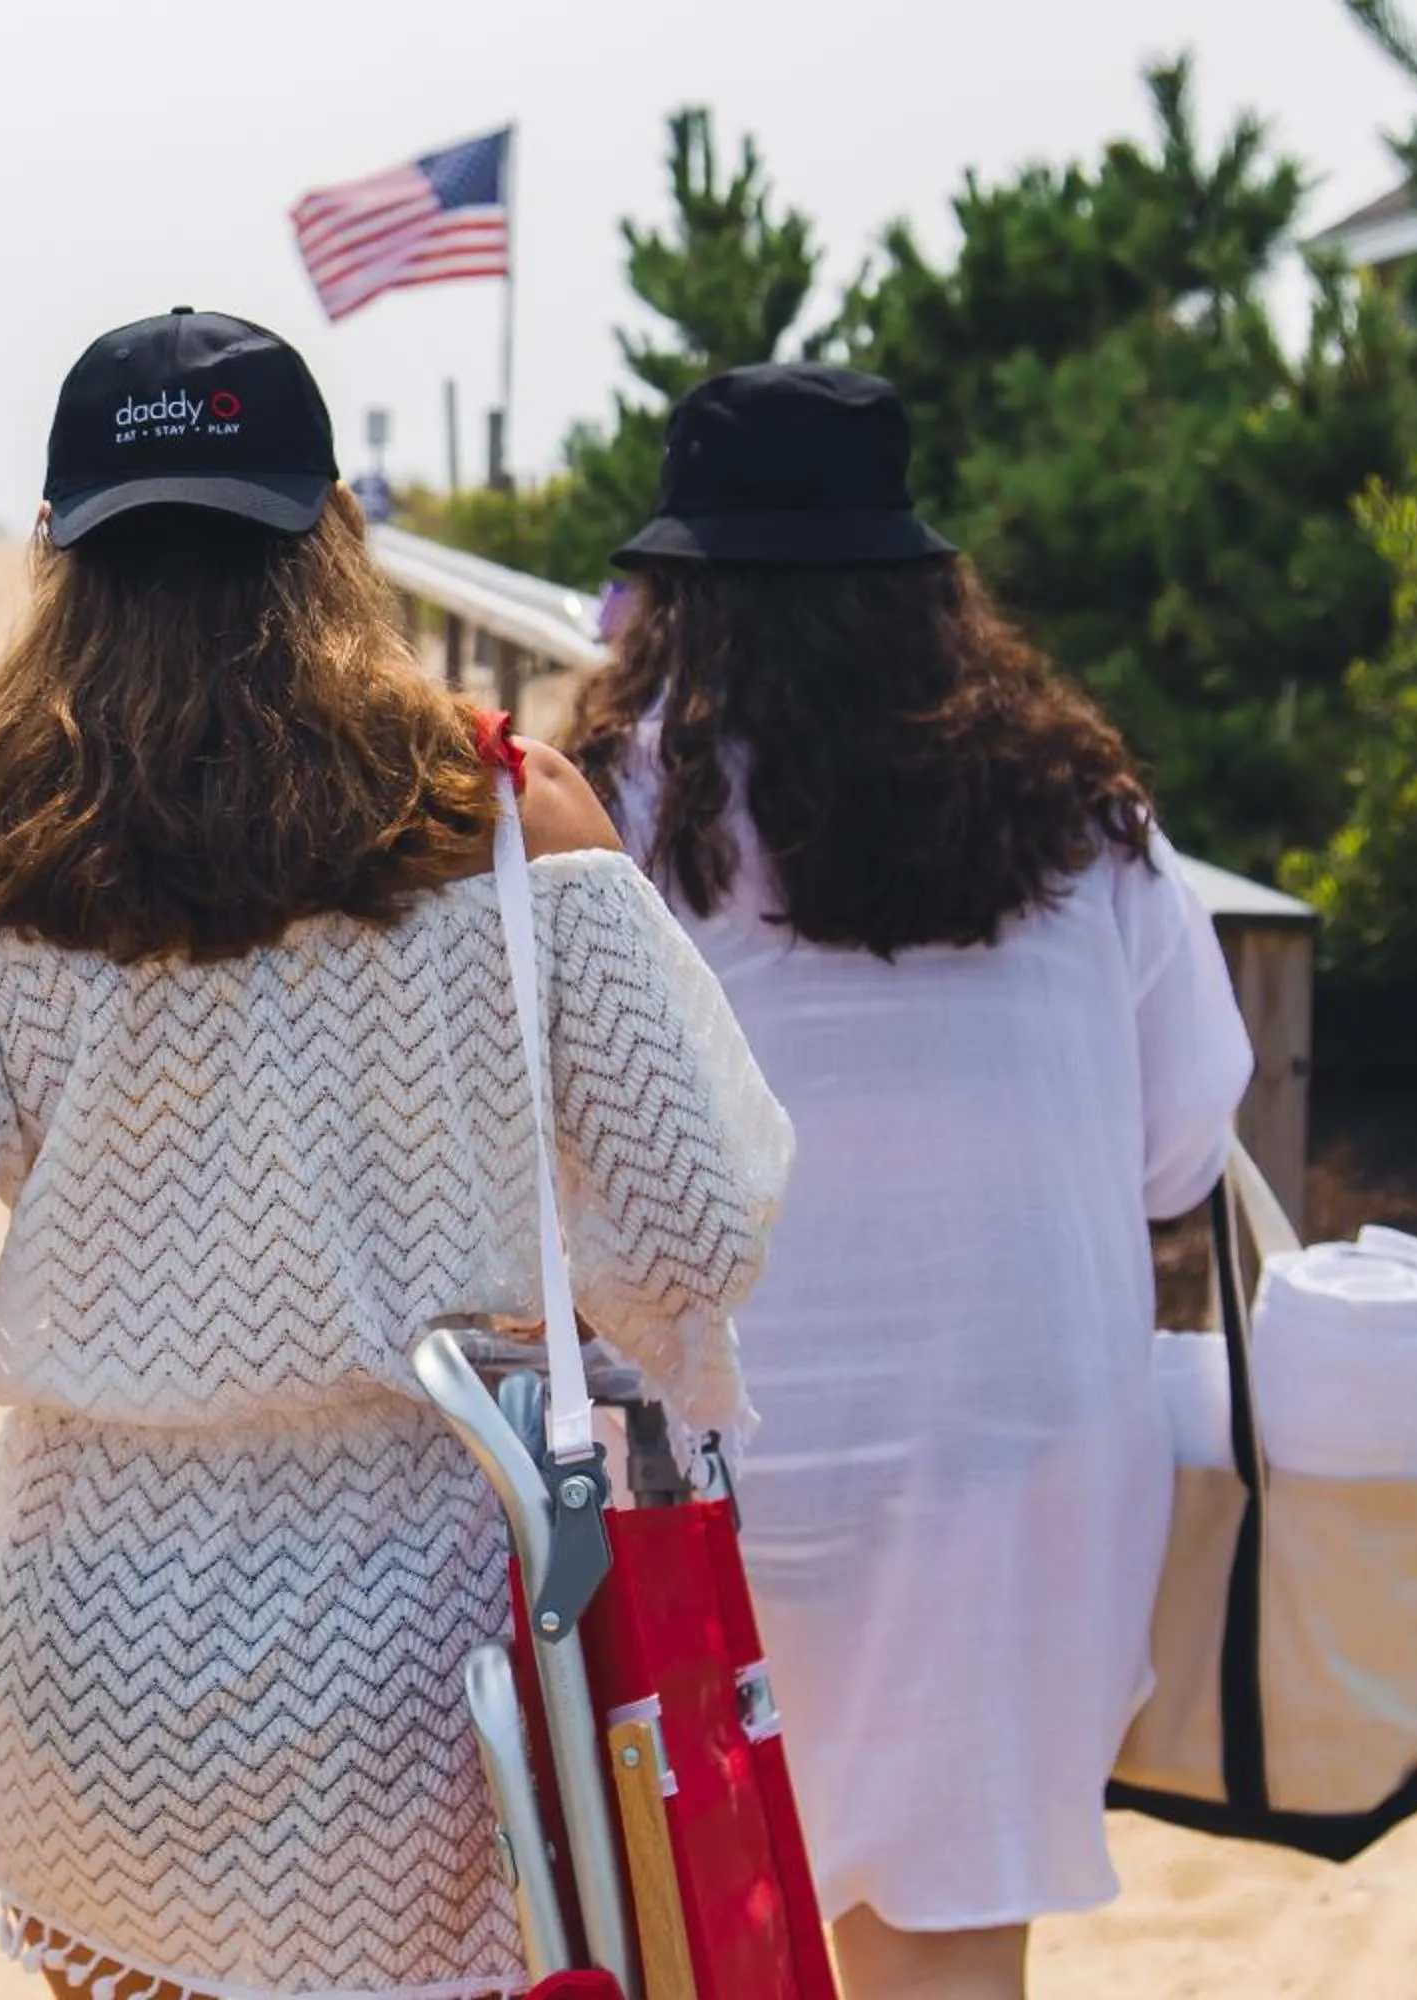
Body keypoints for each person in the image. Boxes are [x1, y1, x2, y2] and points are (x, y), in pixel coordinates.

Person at [0, 307, 793, 2000]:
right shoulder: (508, 818)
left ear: (61, 558)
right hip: (437, 1681)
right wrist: (488, 1264)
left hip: (90, 1668)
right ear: (334, 532)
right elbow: (697, 1221)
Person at [566, 363, 1256, 2000]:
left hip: (712, 1461)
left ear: (676, 588)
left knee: (705, 1922)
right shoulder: (1079, 812)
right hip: (1024, 1453)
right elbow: (1182, 1150)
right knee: (951, 1945)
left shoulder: (617, 808)